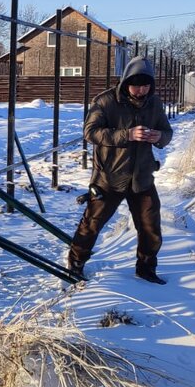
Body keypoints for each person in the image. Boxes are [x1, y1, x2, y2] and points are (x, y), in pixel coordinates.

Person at [67, 56, 173, 284]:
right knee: (92, 224)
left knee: (150, 226)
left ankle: (146, 269)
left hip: (142, 177)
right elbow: (90, 132)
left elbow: (167, 131)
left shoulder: (154, 103)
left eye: (146, 85)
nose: (141, 90)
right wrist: (127, 135)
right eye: (136, 85)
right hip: (109, 177)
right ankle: (75, 264)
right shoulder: (105, 101)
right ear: (125, 82)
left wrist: (159, 137)